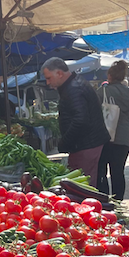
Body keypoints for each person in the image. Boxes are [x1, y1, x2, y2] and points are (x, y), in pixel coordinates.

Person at [41, 57, 110, 187]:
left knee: (86, 188)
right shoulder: (74, 85)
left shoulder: (74, 89)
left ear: (59, 73)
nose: (47, 82)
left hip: (87, 147)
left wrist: (65, 142)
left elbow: (81, 121)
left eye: (49, 78)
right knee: (91, 185)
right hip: (88, 144)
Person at [97, 60, 129, 200]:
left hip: (106, 136)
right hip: (124, 137)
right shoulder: (128, 92)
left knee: (101, 170)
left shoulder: (103, 91)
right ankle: (118, 200)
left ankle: (105, 199)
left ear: (110, 76)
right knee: (118, 172)